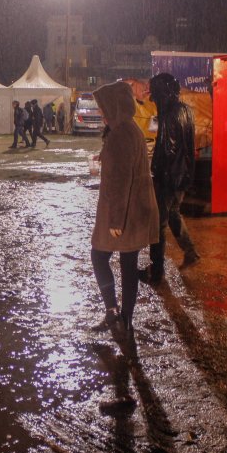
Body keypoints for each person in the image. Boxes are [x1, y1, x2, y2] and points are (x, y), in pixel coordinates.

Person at [90, 81, 159, 332]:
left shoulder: (120, 134)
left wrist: (116, 222)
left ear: (113, 107)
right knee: (128, 265)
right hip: (137, 210)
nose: (100, 112)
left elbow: (120, 182)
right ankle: (125, 320)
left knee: (99, 256)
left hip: (124, 212)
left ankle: (112, 311)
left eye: (102, 108)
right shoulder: (129, 129)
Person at [144, 73, 200, 286]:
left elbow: (167, 149)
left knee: (157, 225)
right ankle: (191, 252)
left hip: (168, 177)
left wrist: (154, 171)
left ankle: (156, 272)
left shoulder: (168, 114)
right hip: (183, 175)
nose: (155, 102)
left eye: (156, 97)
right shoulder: (186, 110)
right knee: (174, 213)